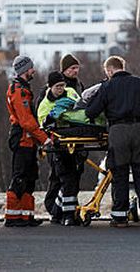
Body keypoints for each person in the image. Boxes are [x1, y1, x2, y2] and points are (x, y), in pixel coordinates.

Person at [85, 56, 140, 227]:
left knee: (119, 174)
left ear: (110, 70)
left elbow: (91, 111)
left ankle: (120, 217)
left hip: (118, 131)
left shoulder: (107, 86)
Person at [4, 55, 51, 227]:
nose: (34, 71)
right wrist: (44, 139)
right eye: (31, 68)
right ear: (25, 70)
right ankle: (12, 217)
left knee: (30, 177)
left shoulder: (23, 89)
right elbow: (26, 121)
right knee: (20, 177)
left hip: (28, 140)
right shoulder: (19, 91)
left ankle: (25, 216)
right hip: (23, 138)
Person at [37, 71, 82, 226]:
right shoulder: (44, 105)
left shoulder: (70, 92)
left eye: (63, 85)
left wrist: (72, 105)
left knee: (70, 179)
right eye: (58, 86)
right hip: (58, 147)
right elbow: (43, 127)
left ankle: (58, 212)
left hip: (74, 142)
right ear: (50, 87)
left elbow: (80, 109)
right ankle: (66, 214)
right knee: (67, 178)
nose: (61, 89)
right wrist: (51, 118)